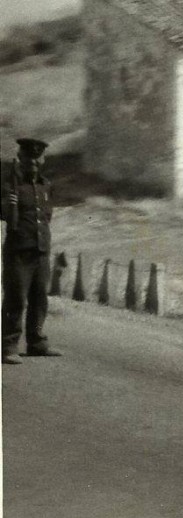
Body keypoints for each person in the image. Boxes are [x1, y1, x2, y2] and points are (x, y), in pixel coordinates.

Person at [1, 138, 62, 364]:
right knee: (16, 298)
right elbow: (4, 213)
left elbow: (46, 216)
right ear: (21, 159)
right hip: (18, 251)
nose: (33, 162)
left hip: (40, 250)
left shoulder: (46, 185)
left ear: (42, 160)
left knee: (39, 299)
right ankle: (8, 346)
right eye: (28, 158)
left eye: (37, 158)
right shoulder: (9, 184)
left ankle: (37, 342)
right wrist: (8, 203)